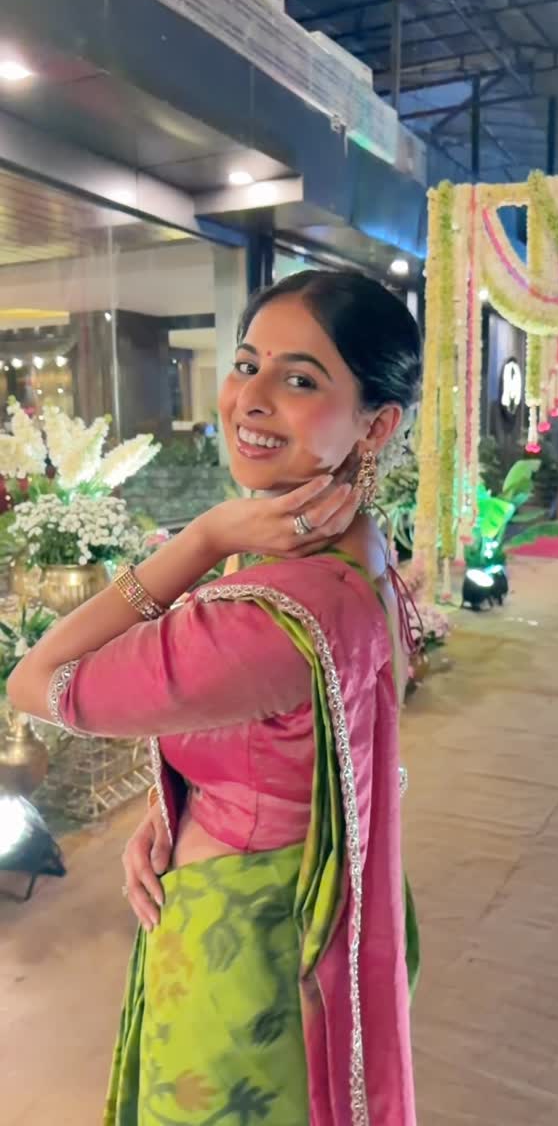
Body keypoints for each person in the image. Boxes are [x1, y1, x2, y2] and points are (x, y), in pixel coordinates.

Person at [8, 270, 422, 1126]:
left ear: (376, 425)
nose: (250, 399)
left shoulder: (264, 618)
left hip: (245, 953)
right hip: (298, 904)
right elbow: (314, 748)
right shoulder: (358, 551)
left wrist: (198, 540)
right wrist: (179, 809)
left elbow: (37, 680)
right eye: (246, 364)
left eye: (300, 378)